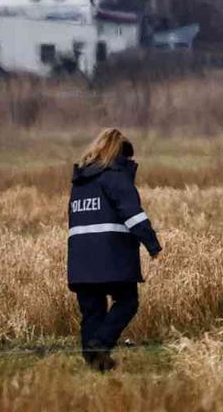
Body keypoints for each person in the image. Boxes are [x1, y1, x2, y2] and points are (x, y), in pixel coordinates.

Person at [67, 127, 162, 372]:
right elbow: (134, 216)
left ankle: (95, 362)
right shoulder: (116, 176)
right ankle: (101, 344)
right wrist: (153, 246)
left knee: (92, 311)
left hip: (80, 260)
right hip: (111, 258)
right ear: (117, 152)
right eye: (126, 156)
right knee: (127, 301)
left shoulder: (80, 181)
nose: (129, 161)